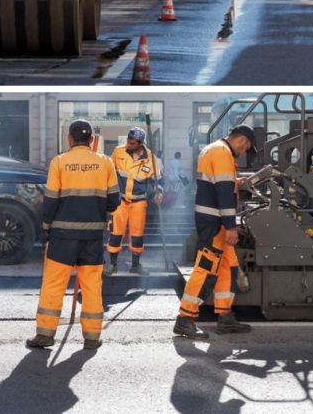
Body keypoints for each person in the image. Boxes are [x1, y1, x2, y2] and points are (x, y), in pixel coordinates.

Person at [26, 119, 120, 351]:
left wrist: (46, 227)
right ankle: (91, 337)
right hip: (92, 238)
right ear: (90, 140)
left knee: (54, 284)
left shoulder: (59, 162)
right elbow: (114, 202)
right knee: (91, 287)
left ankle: (46, 335)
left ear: (70, 138)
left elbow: (50, 202)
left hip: (62, 236)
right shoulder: (105, 162)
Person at [173, 125, 256, 340]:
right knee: (206, 269)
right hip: (215, 223)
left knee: (229, 267)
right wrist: (231, 226)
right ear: (242, 141)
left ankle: (225, 317)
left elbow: (218, 184)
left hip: (212, 220)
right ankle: (185, 319)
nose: (245, 151)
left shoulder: (212, 149)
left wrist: (237, 183)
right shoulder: (222, 153)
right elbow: (223, 191)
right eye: (247, 147)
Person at [105, 127, 163, 276]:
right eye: (128, 141)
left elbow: (158, 181)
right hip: (119, 202)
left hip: (139, 203)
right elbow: (110, 174)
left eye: (132, 143)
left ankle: (135, 266)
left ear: (141, 143)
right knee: (115, 234)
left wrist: (159, 192)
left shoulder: (151, 159)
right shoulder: (118, 152)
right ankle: (112, 265)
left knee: (137, 235)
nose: (129, 145)